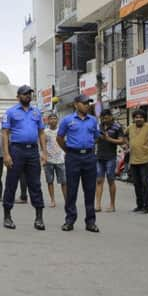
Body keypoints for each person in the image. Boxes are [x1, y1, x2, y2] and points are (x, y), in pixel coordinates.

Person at [1, 85, 47, 230]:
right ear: (18, 96)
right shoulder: (10, 112)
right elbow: (5, 133)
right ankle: (7, 216)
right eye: (25, 94)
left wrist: (44, 152)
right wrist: (6, 154)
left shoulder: (37, 112)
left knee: (35, 184)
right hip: (16, 150)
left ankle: (39, 218)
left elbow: (41, 133)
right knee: (11, 183)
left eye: (29, 94)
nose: (28, 96)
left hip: (33, 152)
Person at [56, 95, 100, 232]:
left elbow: (96, 137)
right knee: (72, 190)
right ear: (76, 104)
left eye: (88, 103)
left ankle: (90, 222)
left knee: (90, 190)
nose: (87, 105)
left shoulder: (93, 120)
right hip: (73, 157)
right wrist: (68, 150)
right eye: (84, 103)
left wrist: (88, 147)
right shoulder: (67, 120)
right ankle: (69, 220)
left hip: (89, 157)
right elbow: (59, 138)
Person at [95, 109, 124, 212]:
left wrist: (109, 139)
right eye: (103, 118)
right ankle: (98, 205)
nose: (105, 119)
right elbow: (95, 140)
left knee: (111, 180)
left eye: (106, 117)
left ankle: (112, 205)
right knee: (98, 180)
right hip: (99, 157)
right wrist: (97, 138)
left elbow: (122, 141)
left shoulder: (117, 127)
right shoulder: (99, 126)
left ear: (111, 117)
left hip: (111, 157)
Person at [43, 113, 66, 208]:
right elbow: (42, 145)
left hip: (61, 159)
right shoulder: (45, 132)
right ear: (48, 121)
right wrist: (43, 156)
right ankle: (52, 200)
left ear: (57, 120)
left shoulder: (61, 131)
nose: (53, 120)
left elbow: (65, 142)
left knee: (64, 181)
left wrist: (66, 153)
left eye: (55, 118)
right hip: (49, 159)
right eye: (51, 119)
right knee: (50, 181)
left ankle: (66, 200)